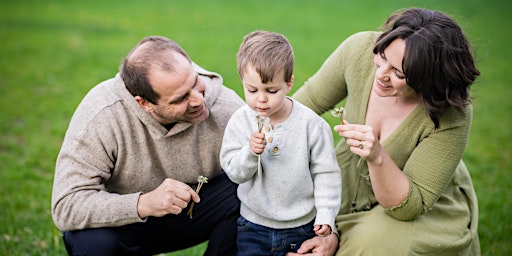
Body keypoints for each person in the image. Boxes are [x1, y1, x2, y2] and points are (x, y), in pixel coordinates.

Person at [289, 7, 481, 256]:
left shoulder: (453, 113)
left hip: (416, 205)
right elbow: (302, 107)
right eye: (382, 56)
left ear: (427, 79)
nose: (381, 74)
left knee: (369, 244)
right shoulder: (359, 49)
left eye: (398, 73)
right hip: (347, 185)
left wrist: (377, 157)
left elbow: (410, 206)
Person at [51, 35, 245, 255]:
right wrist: (144, 203)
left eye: (194, 81)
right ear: (144, 103)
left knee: (246, 190)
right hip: (125, 224)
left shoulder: (228, 109)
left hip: (197, 212)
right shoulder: (102, 115)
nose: (198, 100)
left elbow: (278, 173)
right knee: (90, 242)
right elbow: (67, 206)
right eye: (180, 99)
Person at [220, 30, 341, 255]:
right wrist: (249, 152)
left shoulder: (311, 125)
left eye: (272, 90)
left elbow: (326, 174)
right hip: (253, 226)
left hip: (302, 228)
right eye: (252, 90)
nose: (261, 99)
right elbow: (234, 173)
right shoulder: (240, 121)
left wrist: (326, 215)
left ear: (289, 83)